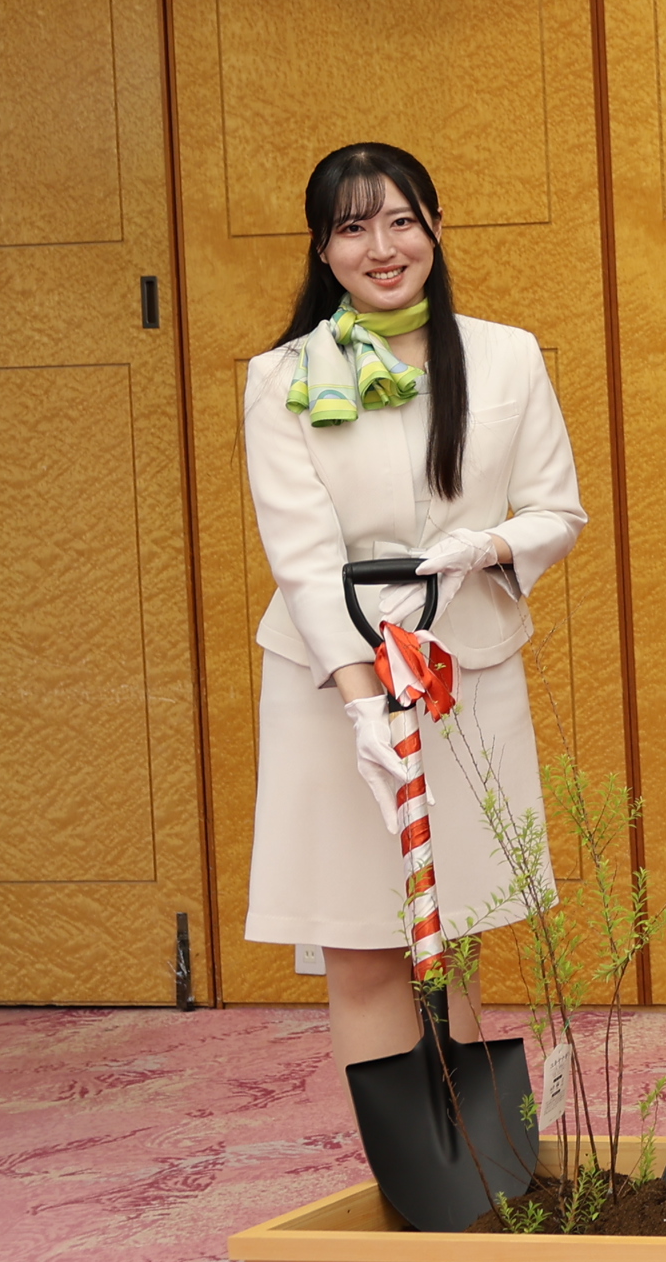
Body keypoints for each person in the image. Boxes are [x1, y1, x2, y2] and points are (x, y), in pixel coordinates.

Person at [241, 143, 587, 1060]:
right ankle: (406, 1188)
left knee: (452, 941)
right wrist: (361, 706)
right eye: (353, 228)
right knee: (363, 948)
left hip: (462, 668)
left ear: (436, 225)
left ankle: (464, 1185)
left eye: (401, 220)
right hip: (334, 691)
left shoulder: (505, 358)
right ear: (323, 250)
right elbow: (305, 560)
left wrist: (490, 545)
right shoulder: (280, 380)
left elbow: (558, 508)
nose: (381, 246)